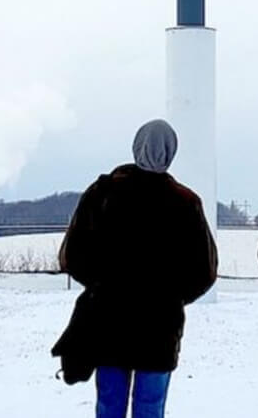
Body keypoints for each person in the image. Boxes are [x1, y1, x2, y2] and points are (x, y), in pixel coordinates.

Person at [58, 119, 218, 418]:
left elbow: (72, 255)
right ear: (171, 152)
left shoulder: (103, 193)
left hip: (107, 318)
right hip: (160, 323)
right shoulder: (186, 202)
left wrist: (100, 286)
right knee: (150, 407)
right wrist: (172, 297)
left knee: (109, 404)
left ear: (135, 146)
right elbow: (204, 270)